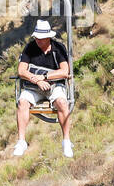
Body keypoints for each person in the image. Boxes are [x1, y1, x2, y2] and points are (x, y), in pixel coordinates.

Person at [14, 19, 73, 158]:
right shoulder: (30, 48)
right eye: (36, 38)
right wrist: (36, 80)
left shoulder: (58, 48)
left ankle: (66, 141)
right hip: (34, 87)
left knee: (62, 103)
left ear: (48, 37)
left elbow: (64, 71)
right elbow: (21, 71)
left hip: (54, 85)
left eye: (41, 38)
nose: (38, 41)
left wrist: (44, 77)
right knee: (22, 102)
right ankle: (21, 141)